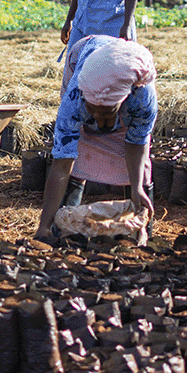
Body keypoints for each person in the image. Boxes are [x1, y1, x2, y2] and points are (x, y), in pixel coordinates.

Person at [34, 35, 158, 242]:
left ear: (124, 99)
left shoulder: (142, 97)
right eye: (93, 111)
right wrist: (43, 226)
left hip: (119, 74)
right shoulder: (73, 101)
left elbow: (137, 142)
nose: (99, 120)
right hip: (84, 52)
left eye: (107, 112)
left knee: (141, 172)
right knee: (79, 149)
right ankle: (64, 229)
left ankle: (141, 232)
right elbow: (62, 163)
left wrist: (136, 187)